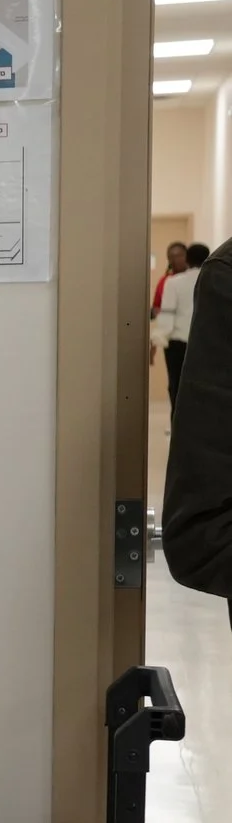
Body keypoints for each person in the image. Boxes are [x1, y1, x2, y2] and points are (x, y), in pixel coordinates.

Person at [166, 244, 232, 606]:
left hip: (183, 339)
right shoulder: (223, 275)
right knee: (180, 390)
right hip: (186, 341)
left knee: (180, 389)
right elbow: (200, 533)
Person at [157, 241, 211, 405]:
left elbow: (167, 314)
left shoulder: (173, 282)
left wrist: (159, 338)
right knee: (203, 388)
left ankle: (178, 420)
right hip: (205, 343)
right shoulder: (212, 280)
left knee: (177, 388)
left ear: (187, 259)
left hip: (178, 344)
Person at [158, 242, 189, 316]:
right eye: (171, 257)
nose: (175, 260)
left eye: (179, 256)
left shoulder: (195, 279)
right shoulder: (164, 281)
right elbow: (157, 307)